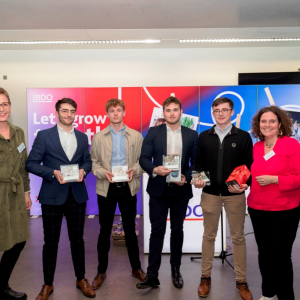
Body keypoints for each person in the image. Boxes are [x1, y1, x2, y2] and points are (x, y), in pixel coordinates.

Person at [25, 98, 94, 300]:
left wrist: (84, 169)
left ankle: (81, 279)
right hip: (52, 196)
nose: (69, 114)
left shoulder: (82, 137)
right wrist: (52, 172)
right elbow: (31, 163)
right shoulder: (44, 136)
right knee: (50, 242)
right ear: (57, 112)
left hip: (77, 196)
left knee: (78, 241)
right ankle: (48, 284)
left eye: (72, 111)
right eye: (65, 111)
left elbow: (87, 161)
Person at [194, 97, 253, 300]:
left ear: (231, 112)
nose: (220, 113)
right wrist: (199, 179)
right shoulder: (204, 137)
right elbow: (198, 162)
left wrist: (247, 183)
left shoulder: (243, 137)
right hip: (210, 194)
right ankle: (205, 277)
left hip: (234, 195)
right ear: (213, 113)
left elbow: (249, 165)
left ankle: (242, 281)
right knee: (208, 236)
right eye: (217, 110)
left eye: (224, 110)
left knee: (238, 237)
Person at [137, 96, 198, 290]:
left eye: (175, 110)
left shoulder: (191, 134)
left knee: (177, 231)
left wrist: (186, 177)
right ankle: (152, 275)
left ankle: (175, 270)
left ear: (181, 112)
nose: (172, 113)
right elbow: (144, 159)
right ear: (163, 113)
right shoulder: (153, 132)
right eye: (168, 110)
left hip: (180, 190)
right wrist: (155, 170)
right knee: (157, 232)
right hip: (158, 189)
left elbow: (196, 164)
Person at [89, 98, 145, 289]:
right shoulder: (98, 137)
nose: (115, 114)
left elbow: (142, 161)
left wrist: (134, 171)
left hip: (128, 187)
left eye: (118, 110)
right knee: (104, 231)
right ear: (107, 113)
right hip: (106, 187)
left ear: (124, 112)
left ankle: (136, 268)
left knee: (130, 230)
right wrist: (102, 173)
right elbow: (93, 163)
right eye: (111, 110)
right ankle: (101, 271)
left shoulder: (136, 136)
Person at [248, 106, 300, 300]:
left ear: (280, 124)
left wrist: (276, 179)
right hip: (257, 208)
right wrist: (242, 185)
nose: (267, 125)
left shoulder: (291, 145)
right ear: (258, 125)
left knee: (281, 257)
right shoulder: (257, 146)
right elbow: (253, 175)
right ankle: (268, 293)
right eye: (263, 121)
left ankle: (286, 297)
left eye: (271, 121)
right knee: (264, 254)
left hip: (284, 210)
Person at [0, 87, 32, 300]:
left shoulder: (18, 132)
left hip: (16, 192)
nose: (2, 109)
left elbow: (23, 166)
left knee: (19, 240)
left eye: (5, 104)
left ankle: (2, 286)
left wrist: (27, 192)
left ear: (10, 106)